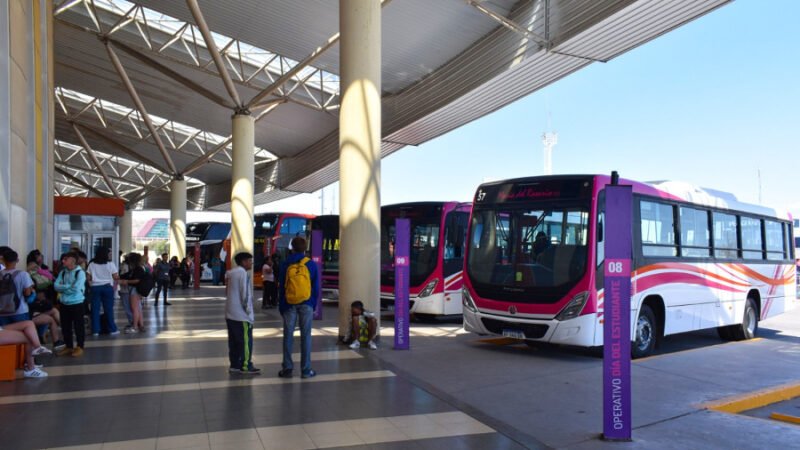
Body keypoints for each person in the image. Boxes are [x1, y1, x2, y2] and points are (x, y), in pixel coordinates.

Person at [278, 237, 319, 379]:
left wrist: (282, 305)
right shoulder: (311, 264)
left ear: (292, 248)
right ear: (305, 248)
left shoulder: (285, 263)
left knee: (288, 336)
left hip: (289, 303)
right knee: (306, 336)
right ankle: (306, 370)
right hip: (306, 303)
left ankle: (287, 368)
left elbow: (281, 286)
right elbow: (316, 287)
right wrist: (312, 303)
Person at [225, 252, 260, 374]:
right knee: (245, 342)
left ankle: (234, 365)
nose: (251, 263)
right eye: (250, 260)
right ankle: (246, 365)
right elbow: (244, 295)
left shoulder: (231, 273)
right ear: (244, 262)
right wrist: (249, 314)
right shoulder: (243, 274)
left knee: (234, 342)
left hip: (230, 314)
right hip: (241, 316)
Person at [54, 252, 87, 357]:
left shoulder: (80, 273)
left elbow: (76, 288)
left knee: (78, 326)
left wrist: (63, 288)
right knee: (65, 326)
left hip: (77, 303)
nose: (63, 261)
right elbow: (56, 286)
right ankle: (68, 346)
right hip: (64, 303)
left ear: (72, 260)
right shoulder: (63, 272)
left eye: (65, 259)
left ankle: (80, 346)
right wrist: (68, 287)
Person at [87, 247, 120, 336]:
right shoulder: (111, 264)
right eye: (109, 254)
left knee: (95, 309)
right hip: (107, 287)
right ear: (105, 254)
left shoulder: (92, 264)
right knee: (108, 309)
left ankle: (95, 330)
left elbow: (88, 277)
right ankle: (112, 329)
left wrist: (92, 283)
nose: (110, 255)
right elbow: (115, 277)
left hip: (95, 288)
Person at [0, 249, 35, 326]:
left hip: (2, 311)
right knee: (22, 334)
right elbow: (27, 292)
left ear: (3, 260)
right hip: (20, 310)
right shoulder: (23, 274)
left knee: (6, 336)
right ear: (17, 260)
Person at [119, 253, 146, 333]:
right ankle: (141, 325)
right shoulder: (137, 268)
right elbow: (128, 275)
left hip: (135, 289)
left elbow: (137, 280)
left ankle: (135, 327)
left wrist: (126, 281)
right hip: (136, 289)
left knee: (135, 309)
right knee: (138, 309)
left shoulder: (138, 269)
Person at [118, 253, 134, 331]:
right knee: (133, 306)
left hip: (125, 288)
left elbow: (121, 275)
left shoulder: (125, 266)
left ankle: (132, 321)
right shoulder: (134, 267)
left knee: (127, 306)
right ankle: (134, 321)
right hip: (133, 289)